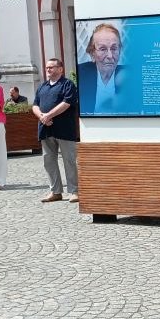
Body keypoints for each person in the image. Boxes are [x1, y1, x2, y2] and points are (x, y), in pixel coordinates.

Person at [34, 58, 79, 203]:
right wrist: (42, 116)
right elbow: (35, 105)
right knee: (49, 161)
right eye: (47, 67)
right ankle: (55, 191)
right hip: (46, 129)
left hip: (64, 129)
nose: (48, 70)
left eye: (51, 67)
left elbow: (66, 103)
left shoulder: (67, 84)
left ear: (60, 69)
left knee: (69, 160)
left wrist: (48, 115)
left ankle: (74, 191)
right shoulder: (42, 87)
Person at [77, 22, 126, 114]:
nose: (110, 56)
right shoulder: (81, 74)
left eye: (114, 48)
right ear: (92, 54)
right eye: (103, 49)